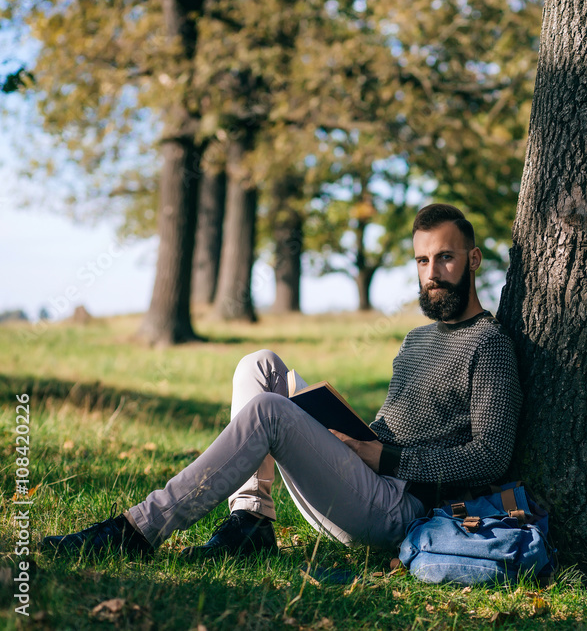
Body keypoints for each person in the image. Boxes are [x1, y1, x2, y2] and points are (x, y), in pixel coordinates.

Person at [42, 204, 523, 559]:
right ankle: (250, 522)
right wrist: (351, 433)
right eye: (422, 261)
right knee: (259, 364)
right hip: (366, 479)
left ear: (474, 259)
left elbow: (490, 456)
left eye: (445, 258)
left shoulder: (490, 345)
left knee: (269, 412)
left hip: (401, 509)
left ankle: (138, 529)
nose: (432, 274)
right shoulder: (417, 339)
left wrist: (385, 457)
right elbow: (399, 424)